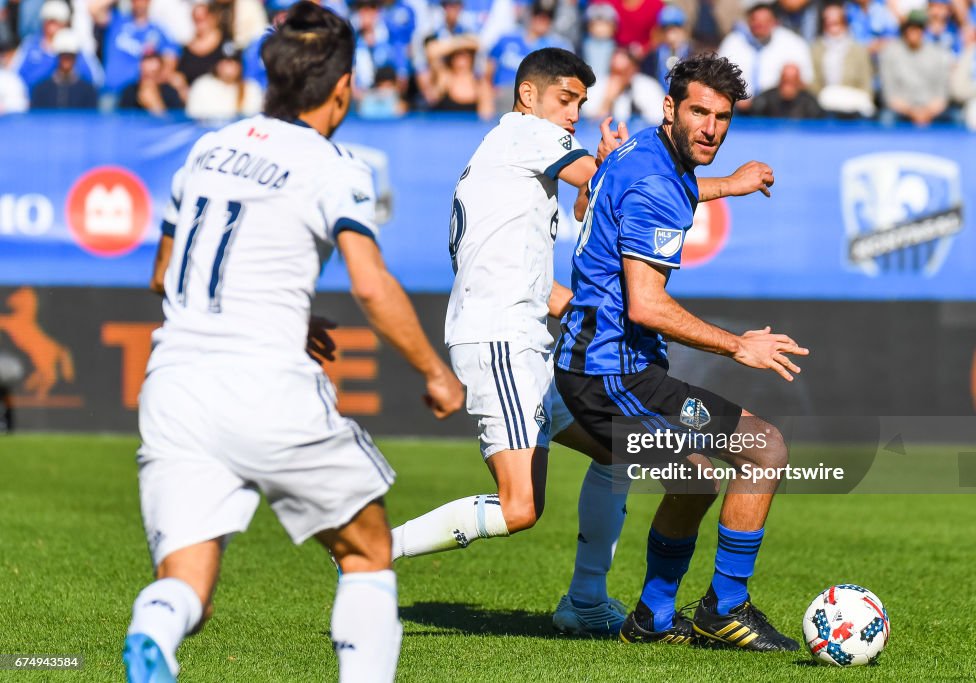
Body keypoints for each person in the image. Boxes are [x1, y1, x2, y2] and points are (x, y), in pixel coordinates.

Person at [121, 4, 464, 682]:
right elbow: (370, 284)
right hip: (264, 384)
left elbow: (165, 275)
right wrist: (435, 371)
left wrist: (274, 306)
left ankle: (152, 634)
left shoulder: (207, 148)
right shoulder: (333, 166)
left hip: (174, 387)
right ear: (342, 88)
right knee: (367, 552)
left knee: (187, 580)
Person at [389, 46, 775, 638]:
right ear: (528, 97)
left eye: (580, 102)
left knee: (627, 458)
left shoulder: (515, 166)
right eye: (566, 100)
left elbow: (608, 203)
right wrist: (718, 186)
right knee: (521, 507)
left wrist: (700, 181)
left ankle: (591, 602)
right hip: (506, 343)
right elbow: (624, 185)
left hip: (536, 341)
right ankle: (375, 548)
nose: (574, 113)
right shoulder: (525, 135)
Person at [554, 53, 808, 650]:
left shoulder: (647, 149)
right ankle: (725, 608)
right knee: (763, 446)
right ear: (671, 107)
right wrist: (736, 345)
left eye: (722, 117)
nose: (711, 128)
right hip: (612, 375)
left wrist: (728, 186)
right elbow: (646, 305)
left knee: (694, 479)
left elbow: (658, 190)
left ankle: (651, 619)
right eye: (699, 111)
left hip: (611, 367)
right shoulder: (656, 183)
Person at [30, 28, 98, 108]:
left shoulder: (87, 91)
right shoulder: (41, 90)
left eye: (70, 56)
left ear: (76, 57)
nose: (66, 60)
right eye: (63, 55)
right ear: (57, 56)